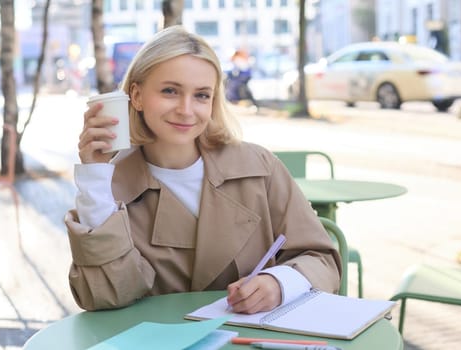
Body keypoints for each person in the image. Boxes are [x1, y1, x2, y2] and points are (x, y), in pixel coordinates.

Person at [67, 26, 340, 313]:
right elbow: (104, 295)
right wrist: (95, 175)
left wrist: (279, 283)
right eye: (170, 91)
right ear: (136, 96)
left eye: (201, 95)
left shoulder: (258, 168)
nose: (186, 110)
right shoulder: (108, 186)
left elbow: (322, 258)